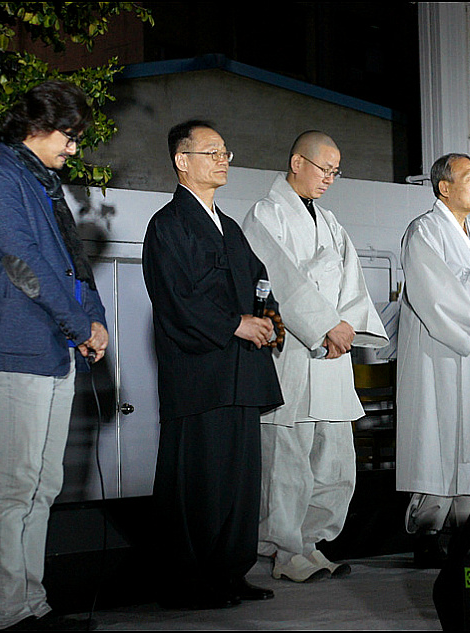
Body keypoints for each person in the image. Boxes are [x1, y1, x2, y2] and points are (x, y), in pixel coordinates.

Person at [0, 80, 108, 631]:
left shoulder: (43, 182)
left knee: (44, 484)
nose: (74, 148)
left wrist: (94, 321)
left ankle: (33, 603)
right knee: (17, 483)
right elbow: (22, 266)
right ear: (35, 126)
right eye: (69, 137)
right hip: (19, 347)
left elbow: (73, 266)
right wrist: (78, 325)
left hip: (57, 347)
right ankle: (8, 610)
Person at [142, 120, 283, 607]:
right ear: (182, 162)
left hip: (240, 374)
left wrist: (268, 316)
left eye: (226, 152)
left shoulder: (229, 226)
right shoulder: (167, 225)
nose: (223, 160)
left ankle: (229, 571)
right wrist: (233, 324)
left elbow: (258, 279)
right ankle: (187, 581)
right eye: (212, 152)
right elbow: (177, 300)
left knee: (240, 482)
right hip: (200, 375)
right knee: (198, 481)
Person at [242, 131, 388, 583]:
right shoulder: (265, 214)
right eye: (324, 168)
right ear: (296, 162)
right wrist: (324, 325)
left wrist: (343, 328)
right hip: (294, 354)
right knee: (288, 461)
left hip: (331, 353)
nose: (329, 179)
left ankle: (310, 543)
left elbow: (351, 283)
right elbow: (279, 278)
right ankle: (282, 551)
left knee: (334, 461)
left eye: (335, 172)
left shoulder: (329, 221)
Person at [396, 153, 470, 539]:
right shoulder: (424, 232)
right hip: (441, 352)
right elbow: (434, 293)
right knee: (437, 438)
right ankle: (427, 531)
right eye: (469, 178)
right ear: (444, 188)